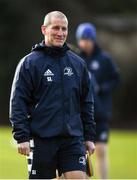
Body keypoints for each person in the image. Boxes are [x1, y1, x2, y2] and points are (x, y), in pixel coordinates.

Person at [9, 11, 96, 179]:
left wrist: (89, 136)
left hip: (72, 139)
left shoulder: (78, 64)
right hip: (42, 140)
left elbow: (87, 102)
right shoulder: (29, 63)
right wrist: (21, 137)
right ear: (44, 29)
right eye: (56, 28)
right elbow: (17, 102)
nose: (60, 33)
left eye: (64, 29)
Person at [76, 23, 120, 179]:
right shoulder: (76, 59)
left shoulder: (105, 59)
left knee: (101, 151)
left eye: (88, 39)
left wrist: (101, 88)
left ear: (93, 40)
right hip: (81, 115)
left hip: (100, 113)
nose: (85, 42)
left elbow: (116, 79)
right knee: (82, 155)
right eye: (82, 39)